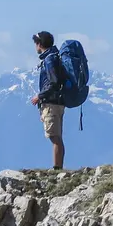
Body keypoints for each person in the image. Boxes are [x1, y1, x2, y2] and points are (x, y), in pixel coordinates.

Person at [30, 31, 66, 170]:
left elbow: (54, 83)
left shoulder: (49, 60)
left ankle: (57, 168)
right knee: (57, 137)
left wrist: (40, 96)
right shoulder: (54, 57)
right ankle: (58, 166)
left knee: (54, 137)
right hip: (59, 102)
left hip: (51, 103)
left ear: (39, 44)